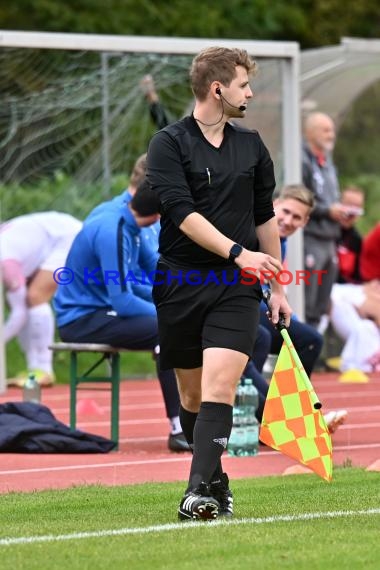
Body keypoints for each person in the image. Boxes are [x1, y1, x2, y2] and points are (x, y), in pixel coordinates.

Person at [147, 46, 291, 521]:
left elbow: (264, 216)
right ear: (217, 88)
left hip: (237, 283)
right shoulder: (167, 143)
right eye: (244, 84)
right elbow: (182, 214)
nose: (249, 92)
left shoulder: (252, 145)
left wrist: (279, 284)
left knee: (220, 387)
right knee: (191, 397)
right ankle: (216, 480)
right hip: (180, 281)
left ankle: (194, 493)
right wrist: (238, 250)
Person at [54, 179, 189, 453]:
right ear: (160, 215)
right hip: (80, 319)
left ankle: (193, 419)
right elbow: (123, 301)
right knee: (167, 329)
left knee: (177, 322)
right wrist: (169, 312)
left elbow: (151, 272)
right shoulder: (113, 230)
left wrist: (186, 295)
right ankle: (179, 427)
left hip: (102, 310)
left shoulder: (129, 223)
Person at [244, 184, 346, 433]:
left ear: (305, 222)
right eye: (286, 212)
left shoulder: (282, 242)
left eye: (296, 217)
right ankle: (281, 420)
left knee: (309, 339)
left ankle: (298, 410)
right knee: (260, 338)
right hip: (236, 301)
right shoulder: (255, 231)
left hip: (257, 303)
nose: (288, 220)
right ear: (274, 205)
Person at [1, 211, 82, 387]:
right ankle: (34, 369)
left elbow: (19, 314)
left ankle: (44, 370)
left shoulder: (6, 262)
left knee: (35, 296)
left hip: (66, 236)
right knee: (21, 300)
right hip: (45, 237)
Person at [301, 112, 349, 331]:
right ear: (310, 132)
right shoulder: (300, 159)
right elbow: (296, 198)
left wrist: (341, 211)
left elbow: (332, 198)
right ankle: (296, 355)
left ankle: (310, 353)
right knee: (306, 299)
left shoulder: (327, 161)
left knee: (321, 301)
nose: (331, 134)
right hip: (310, 238)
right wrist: (327, 210)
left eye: (332, 129)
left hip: (330, 238)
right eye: (325, 129)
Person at [336, 186, 365, 284]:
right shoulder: (325, 234)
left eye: (356, 206)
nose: (352, 211)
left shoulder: (357, 240)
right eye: (348, 204)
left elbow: (358, 275)